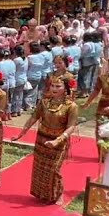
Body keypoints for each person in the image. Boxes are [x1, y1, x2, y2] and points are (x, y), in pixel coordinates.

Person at [19, 76, 79, 204]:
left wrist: (58, 140)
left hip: (59, 140)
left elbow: (71, 126)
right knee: (40, 168)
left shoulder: (71, 106)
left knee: (53, 169)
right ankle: (43, 194)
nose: (54, 89)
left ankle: (58, 193)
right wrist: (23, 132)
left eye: (58, 86)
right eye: (52, 86)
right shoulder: (45, 102)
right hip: (42, 138)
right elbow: (34, 116)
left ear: (65, 88)